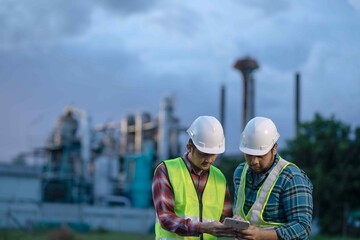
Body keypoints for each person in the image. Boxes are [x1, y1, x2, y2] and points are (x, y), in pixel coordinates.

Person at [152, 115, 236, 239]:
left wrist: (235, 221)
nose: (209, 159)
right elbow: (165, 218)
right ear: (190, 146)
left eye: (213, 154)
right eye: (204, 154)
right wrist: (203, 227)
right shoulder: (166, 171)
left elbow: (226, 218)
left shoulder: (219, 178)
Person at [233, 116, 313, 240]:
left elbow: (302, 228)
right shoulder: (239, 173)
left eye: (260, 155)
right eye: (249, 155)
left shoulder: (291, 178)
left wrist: (261, 235)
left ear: (274, 148)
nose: (254, 161)